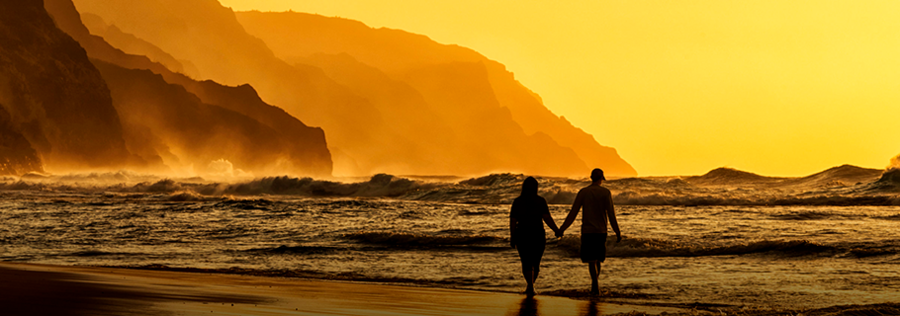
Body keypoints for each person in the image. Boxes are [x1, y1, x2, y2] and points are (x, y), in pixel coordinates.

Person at [557, 168, 621, 295]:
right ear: (602, 179)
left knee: (591, 259)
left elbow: (573, 213)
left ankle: (594, 283)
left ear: (591, 178)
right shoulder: (605, 192)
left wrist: (562, 229)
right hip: (601, 231)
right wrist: (617, 231)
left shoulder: (583, 192)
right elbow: (611, 214)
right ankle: (595, 283)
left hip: (587, 231)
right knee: (598, 259)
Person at [509, 176, 561, 296]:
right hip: (538, 234)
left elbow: (513, 220)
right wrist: (556, 230)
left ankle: (530, 285)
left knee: (526, 261)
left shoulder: (518, 201)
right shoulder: (540, 201)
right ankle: (531, 285)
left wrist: (512, 236)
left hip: (522, 234)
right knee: (536, 262)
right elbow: (547, 218)